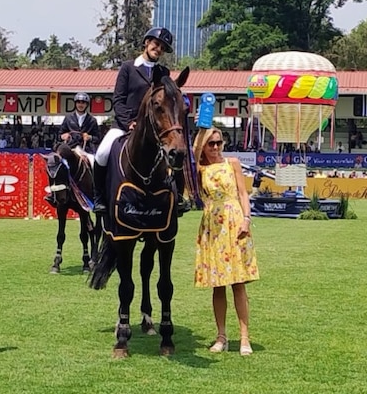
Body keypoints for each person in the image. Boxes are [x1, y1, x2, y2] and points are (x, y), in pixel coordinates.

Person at [92, 27, 189, 215]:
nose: (158, 49)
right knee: (102, 153)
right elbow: (118, 100)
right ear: (146, 42)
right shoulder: (128, 67)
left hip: (153, 129)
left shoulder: (163, 72)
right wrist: (128, 122)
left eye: (162, 48)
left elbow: (166, 102)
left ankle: (178, 197)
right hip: (125, 125)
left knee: (175, 149)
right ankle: (99, 198)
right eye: (156, 44)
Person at [192, 127, 259, 356]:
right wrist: (202, 130)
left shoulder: (233, 163)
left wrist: (247, 219)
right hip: (212, 226)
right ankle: (221, 336)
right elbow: (191, 155)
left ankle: (244, 337)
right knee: (218, 285)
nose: (215, 147)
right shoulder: (199, 169)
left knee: (238, 283)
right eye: (210, 143)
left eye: (218, 142)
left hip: (234, 222)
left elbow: (242, 193)